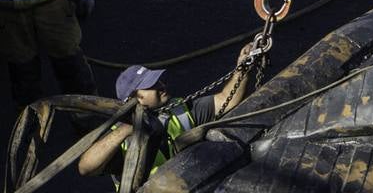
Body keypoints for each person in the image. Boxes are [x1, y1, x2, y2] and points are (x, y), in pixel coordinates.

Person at [77, 46, 256, 177]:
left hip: (191, 190)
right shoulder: (121, 135)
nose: (161, 86)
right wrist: (126, 129)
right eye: (151, 86)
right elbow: (85, 167)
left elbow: (225, 100)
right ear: (134, 99)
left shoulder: (178, 108)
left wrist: (243, 68)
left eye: (158, 81)